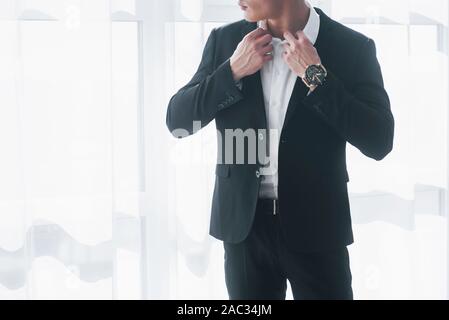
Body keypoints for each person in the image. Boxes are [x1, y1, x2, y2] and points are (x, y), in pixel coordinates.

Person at [166, 0, 394, 300]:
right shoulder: (226, 42)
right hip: (244, 231)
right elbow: (179, 120)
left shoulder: (351, 47)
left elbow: (379, 141)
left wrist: (316, 77)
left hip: (317, 227)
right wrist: (232, 71)